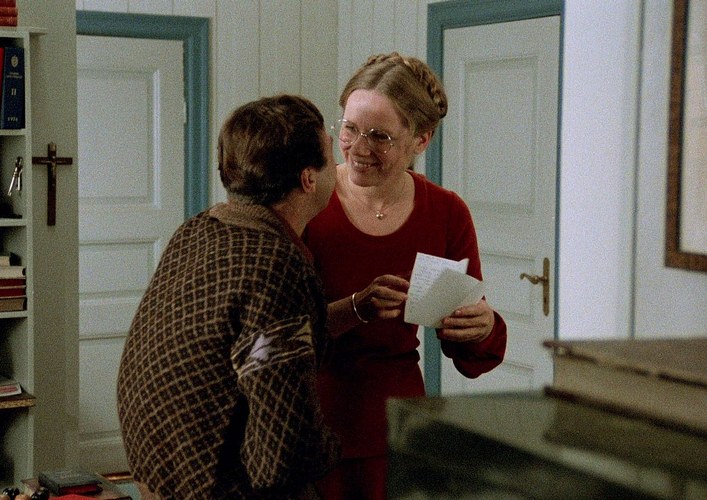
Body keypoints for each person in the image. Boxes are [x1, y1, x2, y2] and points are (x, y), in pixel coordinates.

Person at [303, 52, 508, 499]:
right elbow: (274, 329)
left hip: (397, 429)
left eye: (380, 136)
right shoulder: (306, 199)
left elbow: (471, 354)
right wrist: (356, 308)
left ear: (421, 139)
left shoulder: (446, 212)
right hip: (307, 425)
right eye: (350, 129)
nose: (359, 149)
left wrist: (483, 327)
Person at [116, 94, 341, 499]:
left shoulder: (197, 230)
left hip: (154, 471)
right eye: (332, 151)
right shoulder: (275, 264)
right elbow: (281, 451)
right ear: (308, 179)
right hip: (211, 487)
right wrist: (335, 449)